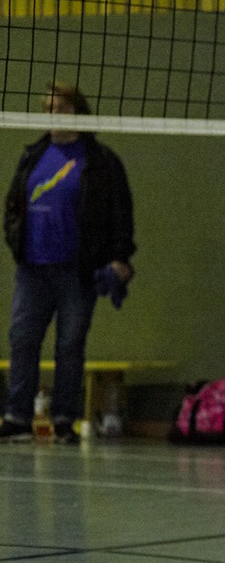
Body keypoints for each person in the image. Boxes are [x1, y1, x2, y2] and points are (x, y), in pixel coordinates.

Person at [2, 82, 134, 445]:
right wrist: (16, 240)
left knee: (70, 344)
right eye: (47, 109)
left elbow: (121, 213)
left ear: (77, 111)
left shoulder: (101, 162)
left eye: (58, 108)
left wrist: (120, 258)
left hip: (77, 269)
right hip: (33, 268)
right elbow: (13, 203)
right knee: (22, 339)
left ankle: (63, 419)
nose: (51, 115)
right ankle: (17, 419)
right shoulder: (33, 155)